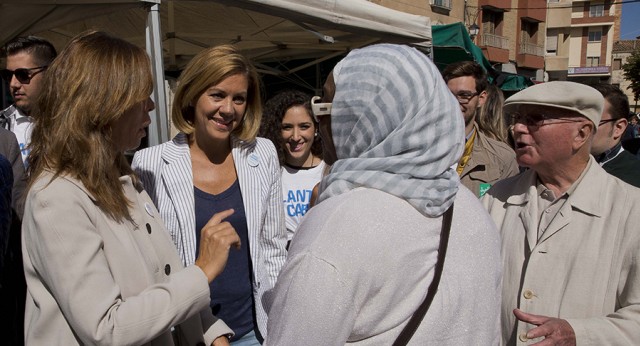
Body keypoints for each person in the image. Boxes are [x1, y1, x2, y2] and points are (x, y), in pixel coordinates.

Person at [264, 44, 501, 345]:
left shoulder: (340, 226)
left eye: (325, 108)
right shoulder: (470, 207)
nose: (321, 125)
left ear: (363, 119)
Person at [22, 31, 239, 346]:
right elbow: (107, 328)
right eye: (141, 96)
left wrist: (212, 333)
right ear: (103, 104)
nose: (151, 107)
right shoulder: (56, 197)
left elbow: (163, 278)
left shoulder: (123, 178)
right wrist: (202, 271)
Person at [133, 44, 287, 344]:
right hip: (186, 331)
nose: (228, 109)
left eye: (239, 98)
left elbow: (272, 249)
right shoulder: (151, 163)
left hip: (255, 331)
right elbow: (151, 263)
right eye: (217, 95)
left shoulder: (262, 154)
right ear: (192, 95)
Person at [482, 81, 640, 345]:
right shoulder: (496, 198)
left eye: (535, 119)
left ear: (581, 133)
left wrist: (580, 334)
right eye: (517, 118)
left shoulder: (631, 210)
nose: (518, 128)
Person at [442, 61, 519, 197]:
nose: (454, 102)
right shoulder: (419, 149)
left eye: (464, 95)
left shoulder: (502, 158)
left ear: (481, 98)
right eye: (448, 95)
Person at [260, 90, 325, 243]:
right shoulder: (270, 173)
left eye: (304, 126)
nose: (296, 137)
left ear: (316, 129)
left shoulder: (329, 171)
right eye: (287, 127)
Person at [0, 36, 57, 166]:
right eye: (8, 76)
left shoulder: (73, 124)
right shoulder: (1, 126)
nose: (13, 84)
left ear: (50, 73)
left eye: (23, 75)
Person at [590, 83, 640, 187]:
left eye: (592, 121)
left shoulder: (634, 178)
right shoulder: (562, 168)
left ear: (618, 128)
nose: (579, 129)